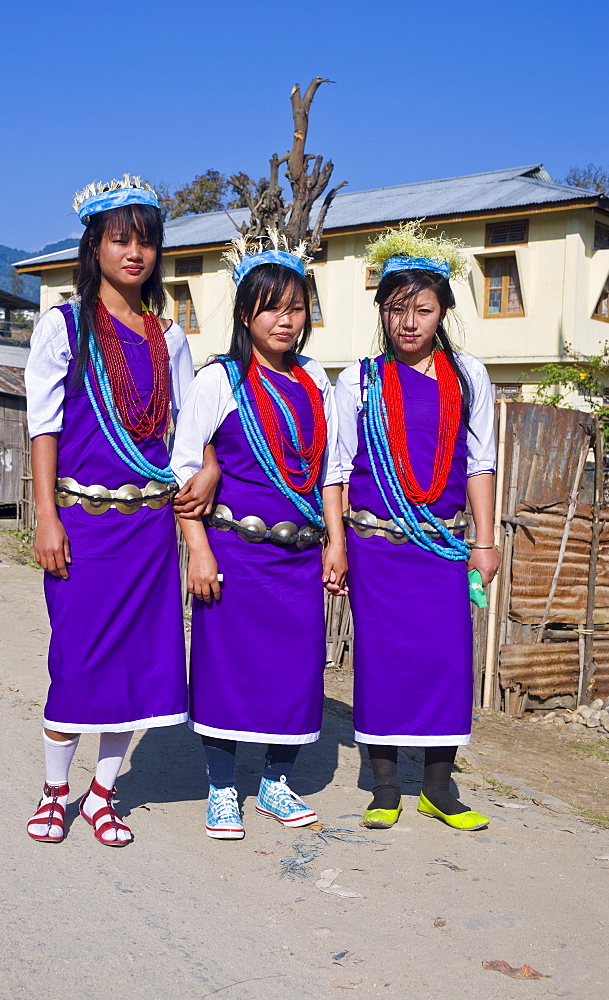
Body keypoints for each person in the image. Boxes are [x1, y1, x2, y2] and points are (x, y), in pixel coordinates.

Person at [25, 175, 217, 847]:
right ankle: (55, 792)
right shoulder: (63, 327)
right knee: (75, 662)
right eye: (120, 239)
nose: (135, 252)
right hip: (81, 523)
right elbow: (44, 428)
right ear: (95, 247)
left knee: (136, 667)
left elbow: (187, 433)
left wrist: (209, 467)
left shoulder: (168, 336)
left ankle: (103, 795)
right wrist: (46, 516)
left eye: (146, 241)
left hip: (147, 529)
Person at [171, 232, 347, 840]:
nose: (285, 319)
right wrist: (197, 550)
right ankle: (222, 788)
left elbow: (330, 471)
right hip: (232, 554)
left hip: (298, 558)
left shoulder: (316, 380)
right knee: (225, 668)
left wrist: (336, 543)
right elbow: (185, 469)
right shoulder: (219, 380)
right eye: (271, 306)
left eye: (296, 307)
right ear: (247, 312)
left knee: (297, 671)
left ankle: (276, 781)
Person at [334, 223, 500, 832]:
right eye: (397, 309)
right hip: (376, 546)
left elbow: (479, 464)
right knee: (381, 659)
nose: (409, 322)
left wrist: (483, 542)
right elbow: (339, 470)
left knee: (446, 660)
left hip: (443, 543)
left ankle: (438, 787)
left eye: (423, 310)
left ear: (443, 312)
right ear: (381, 311)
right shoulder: (359, 380)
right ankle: (383, 786)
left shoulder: (469, 378)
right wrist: (337, 544)